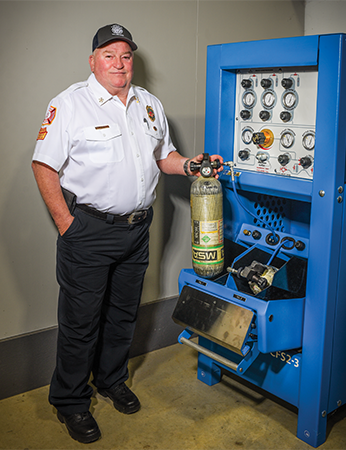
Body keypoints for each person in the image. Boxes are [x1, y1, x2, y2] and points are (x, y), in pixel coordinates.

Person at [32, 23, 223, 444]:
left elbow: (164, 156)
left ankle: (112, 380)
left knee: (122, 315)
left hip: (137, 230)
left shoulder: (148, 103)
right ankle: (70, 401)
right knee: (80, 323)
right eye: (109, 55)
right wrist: (67, 224)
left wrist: (190, 165)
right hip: (89, 232)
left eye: (125, 56)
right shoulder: (70, 104)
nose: (118, 64)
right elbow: (43, 166)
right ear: (93, 60)